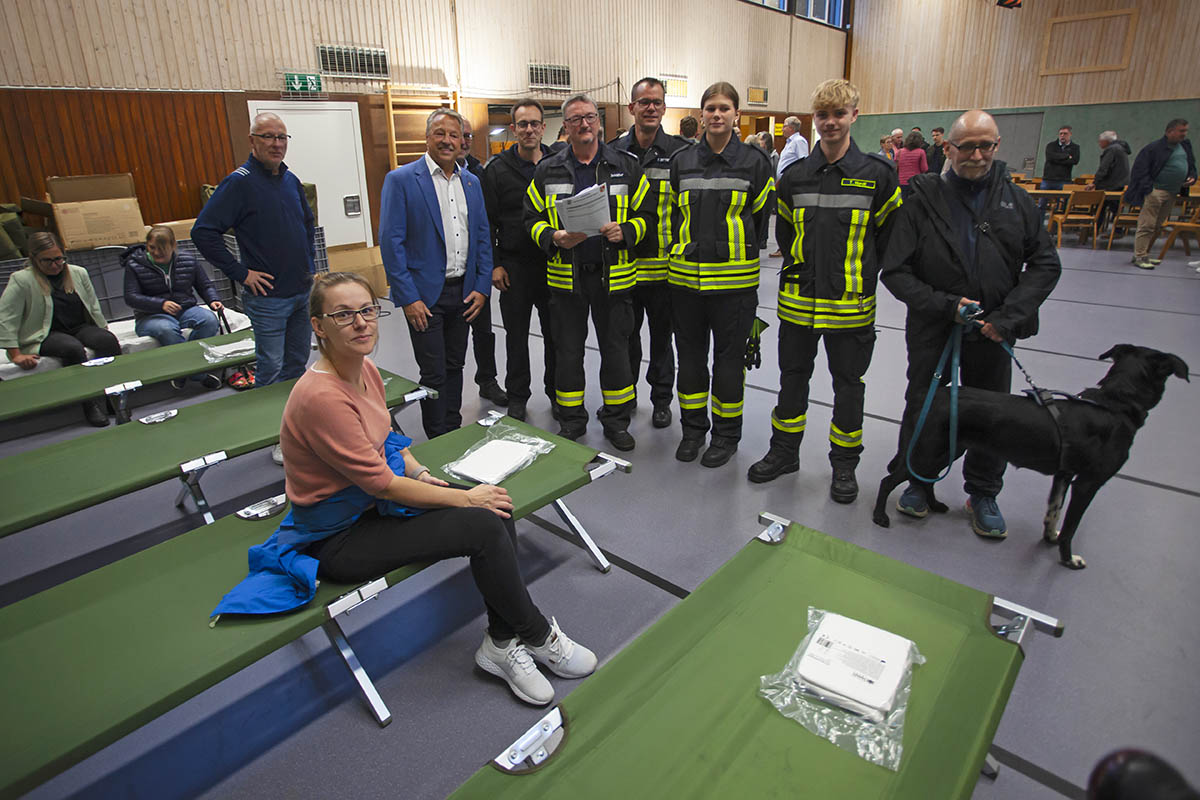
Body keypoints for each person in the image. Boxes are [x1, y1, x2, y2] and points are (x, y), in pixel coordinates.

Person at [213, 271, 596, 707]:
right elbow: (382, 484)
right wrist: (465, 497)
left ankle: (501, 644)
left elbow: (391, 440)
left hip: (372, 507)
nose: (361, 323)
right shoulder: (321, 396)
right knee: (483, 521)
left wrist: (419, 472)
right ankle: (535, 633)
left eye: (366, 310)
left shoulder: (366, 369)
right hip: (339, 536)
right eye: (343, 315)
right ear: (318, 326)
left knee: (495, 511)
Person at [881, 109, 1061, 539]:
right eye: (967, 146)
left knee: (993, 412)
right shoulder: (921, 201)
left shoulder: (1017, 202)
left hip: (993, 331)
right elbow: (896, 271)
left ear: (997, 147)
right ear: (948, 149)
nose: (977, 155)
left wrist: (1008, 318)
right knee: (925, 404)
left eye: (987, 146)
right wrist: (945, 305)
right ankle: (920, 481)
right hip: (934, 326)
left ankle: (982, 491)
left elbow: (1044, 264)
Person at [748, 79, 901, 502]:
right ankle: (784, 453)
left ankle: (844, 466)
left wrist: (859, 275)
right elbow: (786, 231)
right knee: (791, 382)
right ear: (814, 120)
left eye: (838, 114)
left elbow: (889, 242)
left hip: (850, 309)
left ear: (855, 115)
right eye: (823, 115)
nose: (831, 122)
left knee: (848, 388)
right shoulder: (793, 177)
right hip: (797, 305)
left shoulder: (877, 175)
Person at [523, 93, 653, 450]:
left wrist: (626, 231)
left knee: (616, 351)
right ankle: (572, 419)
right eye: (576, 118)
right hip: (567, 279)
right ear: (564, 127)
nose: (584, 124)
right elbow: (530, 219)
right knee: (568, 352)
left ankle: (616, 421)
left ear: (599, 122)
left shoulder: (625, 166)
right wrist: (553, 236)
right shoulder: (547, 170)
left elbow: (649, 216)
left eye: (590, 117)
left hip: (614, 278)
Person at [194, 112, 316, 463]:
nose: (276, 144)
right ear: (252, 141)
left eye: (282, 137)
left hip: (299, 292)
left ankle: (296, 430)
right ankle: (275, 436)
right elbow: (203, 232)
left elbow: (307, 226)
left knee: (297, 364)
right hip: (267, 300)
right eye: (268, 137)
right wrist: (240, 272)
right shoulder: (239, 183)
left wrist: (309, 267)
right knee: (271, 369)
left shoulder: (290, 180)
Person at [667, 81, 774, 468]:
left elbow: (761, 219)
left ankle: (726, 436)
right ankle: (693, 431)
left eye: (724, 108)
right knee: (691, 362)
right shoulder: (682, 161)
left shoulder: (754, 162)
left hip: (734, 287)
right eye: (710, 108)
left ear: (736, 116)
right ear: (701, 115)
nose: (716, 114)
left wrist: (738, 252)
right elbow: (672, 217)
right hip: (686, 285)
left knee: (729, 366)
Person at [380, 109, 494, 440]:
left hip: (464, 293)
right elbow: (391, 243)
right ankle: (436, 438)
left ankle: (452, 431)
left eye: (454, 135)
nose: (447, 140)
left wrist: (483, 287)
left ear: (462, 141)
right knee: (433, 371)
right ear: (427, 138)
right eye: (439, 133)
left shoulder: (471, 182)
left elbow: (483, 239)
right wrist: (408, 297)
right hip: (424, 296)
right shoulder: (401, 180)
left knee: (456, 366)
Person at [611, 78, 691, 429]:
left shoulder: (680, 153)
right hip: (624, 266)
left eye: (657, 102)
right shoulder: (612, 152)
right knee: (625, 338)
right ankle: (626, 396)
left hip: (663, 268)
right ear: (631, 108)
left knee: (662, 340)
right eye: (644, 102)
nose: (651, 108)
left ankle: (661, 400)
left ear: (664, 107)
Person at [482, 98, 557, 422]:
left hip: (555, 262)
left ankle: (558, 393)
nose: (529, 130)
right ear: (513, 129)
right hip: (514, 266)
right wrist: (495, 264)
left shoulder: (559, 163)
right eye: (522, 124)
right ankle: (517, 396)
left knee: (558, 335)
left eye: (534, 123)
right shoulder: (496, 170)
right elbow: (487, 223)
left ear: (543, 127)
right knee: (516, 336)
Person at [0, 231, 119, 426]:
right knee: (72, 349)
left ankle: (113, 396)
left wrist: (102, 328)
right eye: (47, 261)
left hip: (78, 326)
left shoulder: (78, 273)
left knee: (107, 340)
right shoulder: (21, 280)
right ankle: (89, 403)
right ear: (34, 259)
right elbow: (6, 317)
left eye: (59, 259)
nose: (55, 265)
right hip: (44, 334)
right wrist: (15, 354)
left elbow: (93, 305)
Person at [121, 225, 224, 390]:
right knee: (167, 328)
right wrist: (160, 304)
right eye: (152, 248)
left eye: (162, 248)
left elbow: (205, 285)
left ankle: (185, 372)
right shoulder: (134, 265)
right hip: (149, 315)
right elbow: (131, 297)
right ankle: (198, 374)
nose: (156, 252)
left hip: (185, 309)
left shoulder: (188, 260)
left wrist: (213, 300)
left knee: (209, 320)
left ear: (173, 245)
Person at [458, 117, 508, 409]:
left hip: (475, 270)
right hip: (442, 275)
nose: (462, 141)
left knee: (483, 330)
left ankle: (487, 380)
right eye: (455, 135)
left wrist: (490, 265)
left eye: (466, 135)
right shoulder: (417, 177)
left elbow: (490, 224)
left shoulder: (480, 172)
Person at [1125, 118, 1196, 269]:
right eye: (1181, 131)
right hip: (1156, 192)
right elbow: (1139, 169)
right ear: (1170, 131)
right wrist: (1149, 190)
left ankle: (1144, 254)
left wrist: (1192, 176)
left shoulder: (1185, 146)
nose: (1184, 134)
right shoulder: (1154, 148)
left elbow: (1191, 166)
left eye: (1185, 131)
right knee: (1147, 225)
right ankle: (1140, 256)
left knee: (1157, 226)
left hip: (1172, 192)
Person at [1085, 130, 1131, 230]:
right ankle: (1117, 231)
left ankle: (1094, 231)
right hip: (1119, 184)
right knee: (1115, 209)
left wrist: (1094, 183)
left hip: (1108, 186)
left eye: (1100, 140)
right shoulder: (1121, 148)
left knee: (1100, 208)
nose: (1099, 143)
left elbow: (1104, 168)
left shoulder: (1111, 150)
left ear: (1106, 141)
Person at [1041, 125, 1080, 190]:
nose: (1062, 135)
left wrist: (1056, 158)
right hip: (1048, 179)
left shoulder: (1075, 147)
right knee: (1043, 199)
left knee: (1066, 199)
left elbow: (1075, 161)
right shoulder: (1051, 145)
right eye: (1061, 133)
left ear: (1070, 134)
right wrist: (1067, 156)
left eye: (1065, 134)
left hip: (1064, 179)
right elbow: (1050, 158)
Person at [895, 131, 929, 198]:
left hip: (901, 182)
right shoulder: (921, 152)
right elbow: (924, 168)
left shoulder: (899, 152)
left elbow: (896, 168)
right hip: (915, 183)